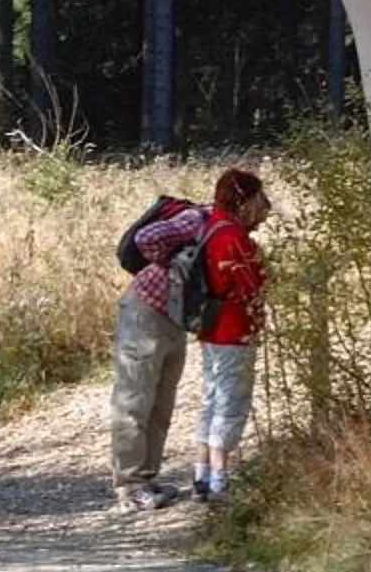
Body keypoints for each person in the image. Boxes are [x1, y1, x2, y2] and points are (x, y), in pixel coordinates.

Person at [109, 193, 210, 511]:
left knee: (161, 403)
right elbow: (146, 237)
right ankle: (129, 487)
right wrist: (169, 265)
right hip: (145, 311)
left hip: (173, 318)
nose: (263, 212)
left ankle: (146, 479)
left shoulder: (226, 230)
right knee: (134, 401)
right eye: (259, 201)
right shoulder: (200, 220)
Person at [190, 167, 271, 503]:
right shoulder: (232, 236)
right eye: (257, 198)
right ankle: (220, 480)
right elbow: (250, 285)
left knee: (210, 399)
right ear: (244, 199)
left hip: (211, 328)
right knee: (230, 402)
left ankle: (202, 474)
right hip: (233, 329)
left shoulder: (211, 226)